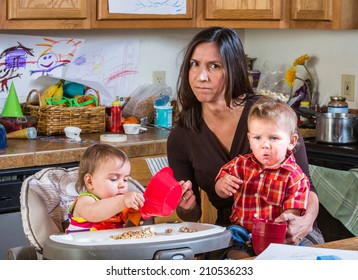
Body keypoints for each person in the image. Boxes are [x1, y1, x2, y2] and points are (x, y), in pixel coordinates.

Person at [167, 26, 324, 249]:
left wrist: (305, 223)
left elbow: (307, 186)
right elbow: (191, 215)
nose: (201, 76)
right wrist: (185, 205)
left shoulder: (270, 115)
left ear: (233, 69)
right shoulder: (181, 135)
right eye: (195, 64)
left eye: (214, 66)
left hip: (289, 228)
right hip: (234, 234)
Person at [215, 96, 310, 259]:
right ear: (249, 139)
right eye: (258, 138)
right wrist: (222, 185)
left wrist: (283, 221)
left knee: (296, 249)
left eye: (273, 138)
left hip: (277, 235)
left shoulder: (295, 176)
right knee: (230, 234)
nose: (265, 144)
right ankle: (245, 263)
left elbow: (292, 213)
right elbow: (220, 189)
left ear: (291, 141)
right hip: (244, 233)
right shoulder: (240, 165)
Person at [66, 143, 145, 233]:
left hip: (109, 246)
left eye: (125, 179)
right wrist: (122, 200)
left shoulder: (120, 206)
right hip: (82, 246)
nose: (122, 184)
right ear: (90, 182)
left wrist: (140, 212)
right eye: (114, 179)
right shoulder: (85, 200)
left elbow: (128, 229)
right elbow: (93, 214)